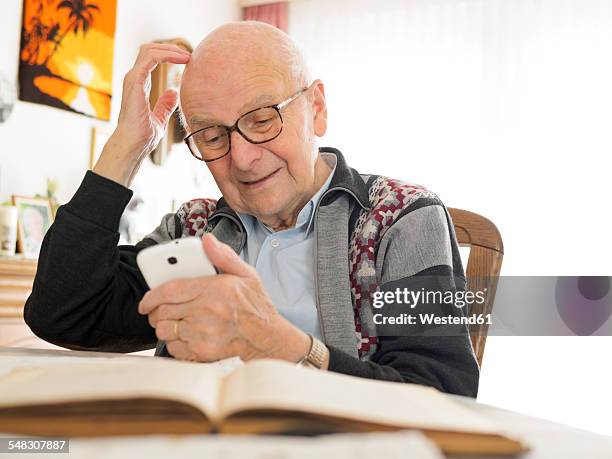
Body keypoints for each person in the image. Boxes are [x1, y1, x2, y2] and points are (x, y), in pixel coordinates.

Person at [24, 21, 479, 396]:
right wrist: (127, 147)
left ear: (316, 109)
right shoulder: (194, 230)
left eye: (262, 119)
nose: (242, 158)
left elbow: (442, 397)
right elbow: (63, 312)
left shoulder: (401, 219)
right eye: (211, 136)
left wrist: (284, 348)